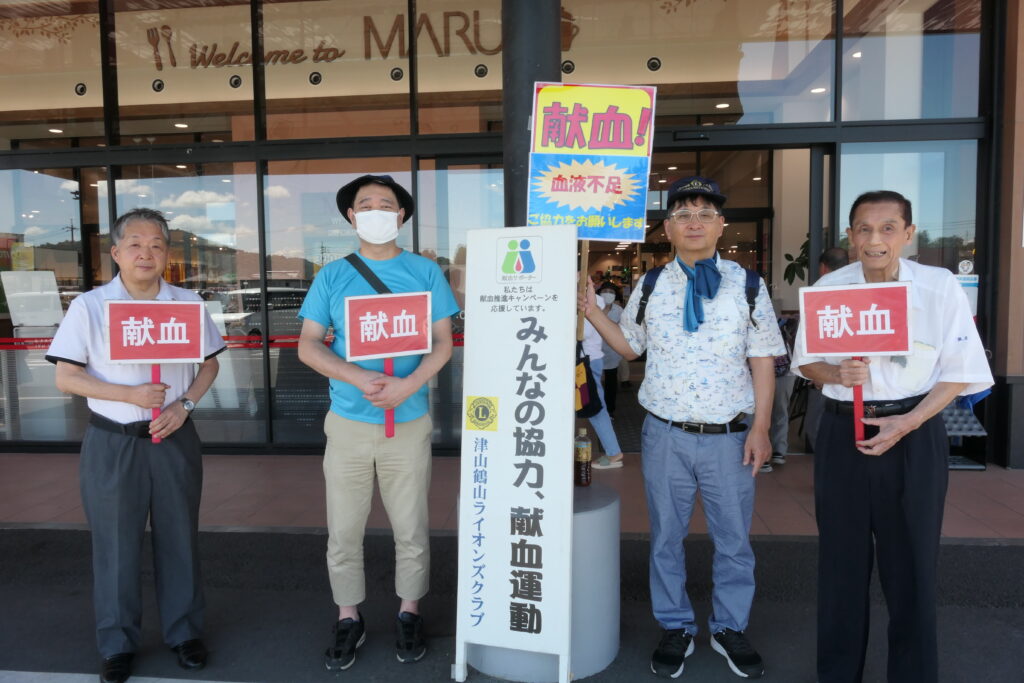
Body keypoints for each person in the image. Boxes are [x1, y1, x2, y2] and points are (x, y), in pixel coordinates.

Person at [581, 176, 785, 679]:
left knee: (734, 539)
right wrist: (588, 308)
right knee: (665, 537)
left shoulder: (749, 284)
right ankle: (675, 624)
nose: (694, 222)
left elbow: (762, 360)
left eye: (704, 214)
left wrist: (761, 428)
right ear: (667, 228)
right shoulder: (650, 285)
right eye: (683, 215)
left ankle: (728, 626)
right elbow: (629, 346)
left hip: (730, 437)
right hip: (665, 434)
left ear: (721, 225)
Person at [792, 190, 993, 683]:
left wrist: (908, 423)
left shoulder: (938, 286)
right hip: (844, 433)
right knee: (841, 566)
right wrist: (836, 376)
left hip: (914, 431)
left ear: (908, 234)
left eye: (887, 229)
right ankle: (838, 674)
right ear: (850, 235)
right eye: (863, 229)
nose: (874, 240)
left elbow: (960, 371)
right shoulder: (831, 288)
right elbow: (806, 362)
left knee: (913, 568)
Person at [46, 208, 225, 683]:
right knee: (115, 545)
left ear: (167, 253)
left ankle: (185, 633)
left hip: (174, 437)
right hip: (114, 440)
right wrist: (127, 395)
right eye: (135, 244)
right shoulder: (90, 306)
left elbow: (209, 364)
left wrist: (184, 405)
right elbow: (66, 375)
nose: (146, 253)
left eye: (157, 245)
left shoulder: (186, 302)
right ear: (116, 252)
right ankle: (117, 642)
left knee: (179, 538)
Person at [297, 174, 459, 671]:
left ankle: (410, 610)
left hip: (407, 422)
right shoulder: (332, 275)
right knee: (343, 529)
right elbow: (308, 343)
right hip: (348, 422)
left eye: (385, 204)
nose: (374, 210)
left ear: (401, 215)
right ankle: (349, 616)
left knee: (411, 526)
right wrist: (354, 374)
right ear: (351, 216)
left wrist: (410, 386)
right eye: (364, 204)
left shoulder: (425, 271)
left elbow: (443, 342)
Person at [801, 247, 851, 447]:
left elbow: (812, 334)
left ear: (823, 267)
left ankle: (816, 449)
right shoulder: (863, 285)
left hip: (827, 370)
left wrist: (817, 371)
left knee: (819, 424)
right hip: (860, 374)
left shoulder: (822, 288)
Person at [582, 298, 625, 470]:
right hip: (588, 360)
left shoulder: (590, 299)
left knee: (596, 407)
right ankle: (613, 451)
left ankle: (614, 453)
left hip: (586, 361)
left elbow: (582, 332)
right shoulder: (593, 298)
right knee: (595, 407)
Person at [596, 284, 625, 417]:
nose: (607, 294)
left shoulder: (618, 310)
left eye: (611, 291)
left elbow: (624, 329)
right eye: (604, 291)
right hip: (593, 351)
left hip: (612, 351)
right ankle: (594, 408)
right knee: (593, 381)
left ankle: (609, 410)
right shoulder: (593, 308)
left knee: (610, 382)